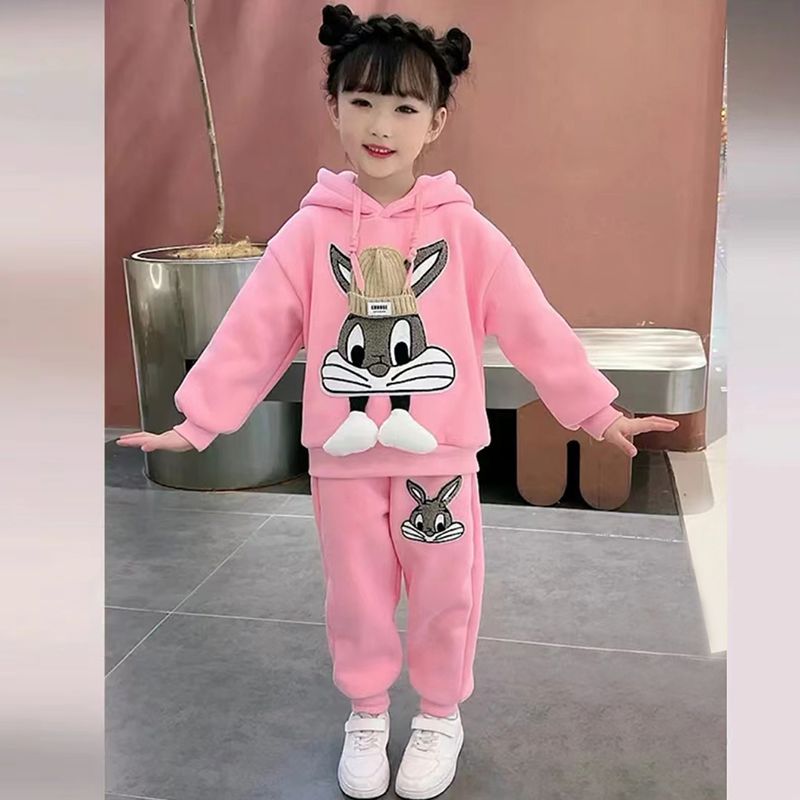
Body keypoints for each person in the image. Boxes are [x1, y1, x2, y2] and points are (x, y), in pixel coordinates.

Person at [118, 4, 679, 798]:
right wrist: (198, 420)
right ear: (334, 108)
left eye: (406, 107)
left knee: (447, 593)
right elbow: (254, 332)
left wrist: (598, 411)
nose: (381, 125)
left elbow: (533, 325)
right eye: (362, 102)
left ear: (436, 123)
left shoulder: (467, 234)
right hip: (342, 462)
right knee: (356, 599)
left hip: (438, 459)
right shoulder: (309, 235)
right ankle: (368, 713)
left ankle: (441, 715)